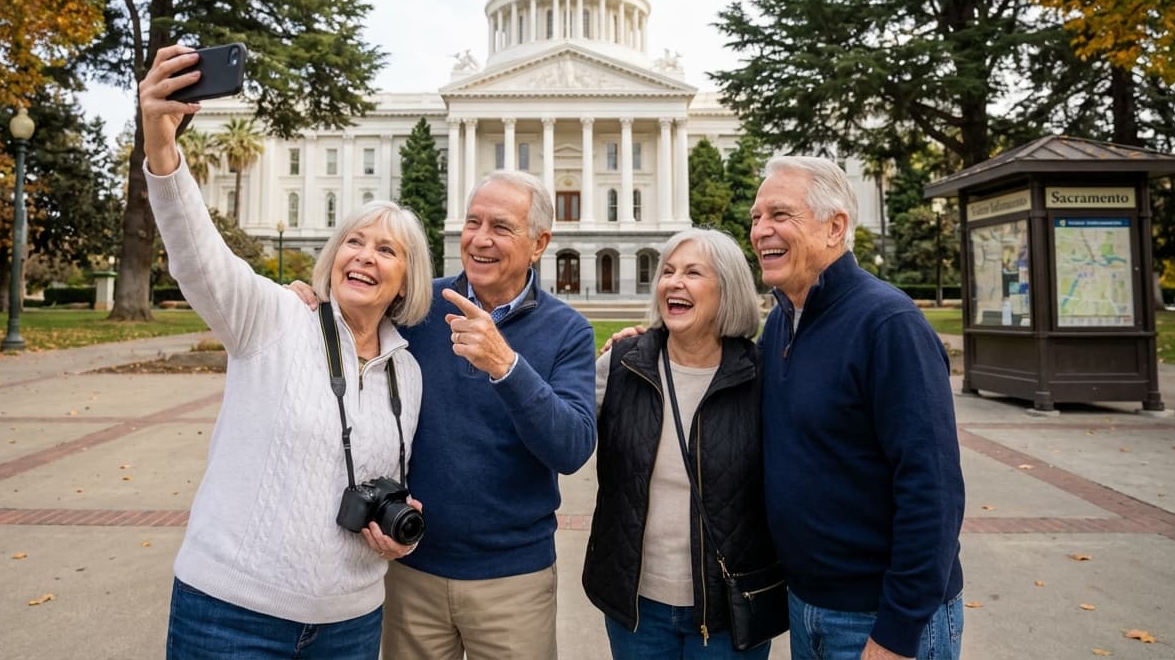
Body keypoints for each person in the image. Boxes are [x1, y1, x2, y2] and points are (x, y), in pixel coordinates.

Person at [139, 44, 433, 660]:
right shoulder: (273, 318)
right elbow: (199, 259)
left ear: (406, 279)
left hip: (350, 624)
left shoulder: (407, 370)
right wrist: (162, 148)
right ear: (333, 255)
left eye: (386, 250)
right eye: (354, 240)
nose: (364, 256)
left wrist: (397, 533)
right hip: (230, 617)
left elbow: (381, 474)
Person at [291, 169, 597, 660]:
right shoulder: (416, 305)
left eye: (500, 226)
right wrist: (307, 301)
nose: (479, 239)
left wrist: (507, 366)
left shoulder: (569, 332)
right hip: (412, 567)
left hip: (513, 581)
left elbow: (572, 448)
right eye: (473, 222)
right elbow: (351, 308)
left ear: (539, 243)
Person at [749, 156, 964, 660]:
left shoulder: (888, 324)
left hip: (878, 618)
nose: (761, 231)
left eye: (780, 214)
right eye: (757, 217)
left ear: (835, 227)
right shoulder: (781, 323)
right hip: (808, 606)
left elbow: (932, 488)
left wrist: (897, 632)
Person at [583, 228, 777, 659]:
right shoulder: (621, 365)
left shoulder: (761, 376)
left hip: (729, 608)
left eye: (693, 272)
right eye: (667, 271)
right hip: (637, 608)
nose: (674, 281)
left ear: (727, 290)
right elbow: (560, 431)